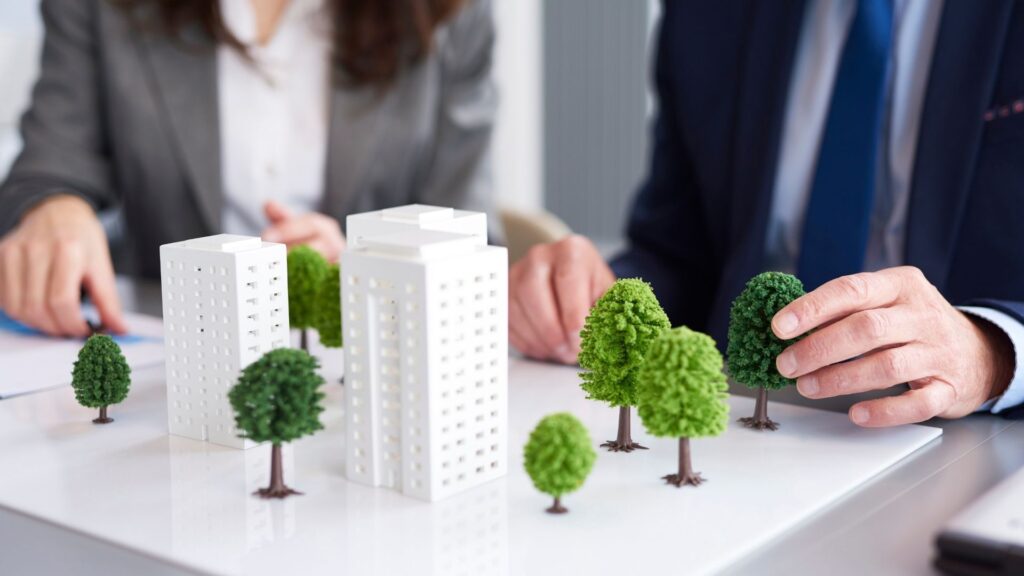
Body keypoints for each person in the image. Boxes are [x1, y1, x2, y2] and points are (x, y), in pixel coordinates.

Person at [509, 0, 1024, 428]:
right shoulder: (706, 14)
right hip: (740, 428)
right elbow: (680, 253)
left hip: (971, 438)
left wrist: (993, 353)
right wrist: (598, 298)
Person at [0, 0, 496, 337]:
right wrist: (52, 207)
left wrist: (370, 274)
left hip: (359, 374)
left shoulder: (449, 13)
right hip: (167, 364)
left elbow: (473, 249)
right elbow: (47, 167)